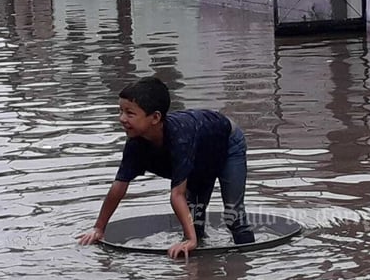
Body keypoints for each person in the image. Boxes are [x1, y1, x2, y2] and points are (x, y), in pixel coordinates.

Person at [78, 76, 255, 259]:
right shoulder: (136, 144)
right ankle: (198, 270)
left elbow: (177, 194)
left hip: (227, 144)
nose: (121, 118)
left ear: (155, 117)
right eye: (120, 111)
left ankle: (248, 263)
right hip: (198, 156)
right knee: (193, 220)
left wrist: (190, 240)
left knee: (234, 215)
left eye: (129, 113)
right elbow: (119, 187)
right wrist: (99, 228)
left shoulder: (180, 137)